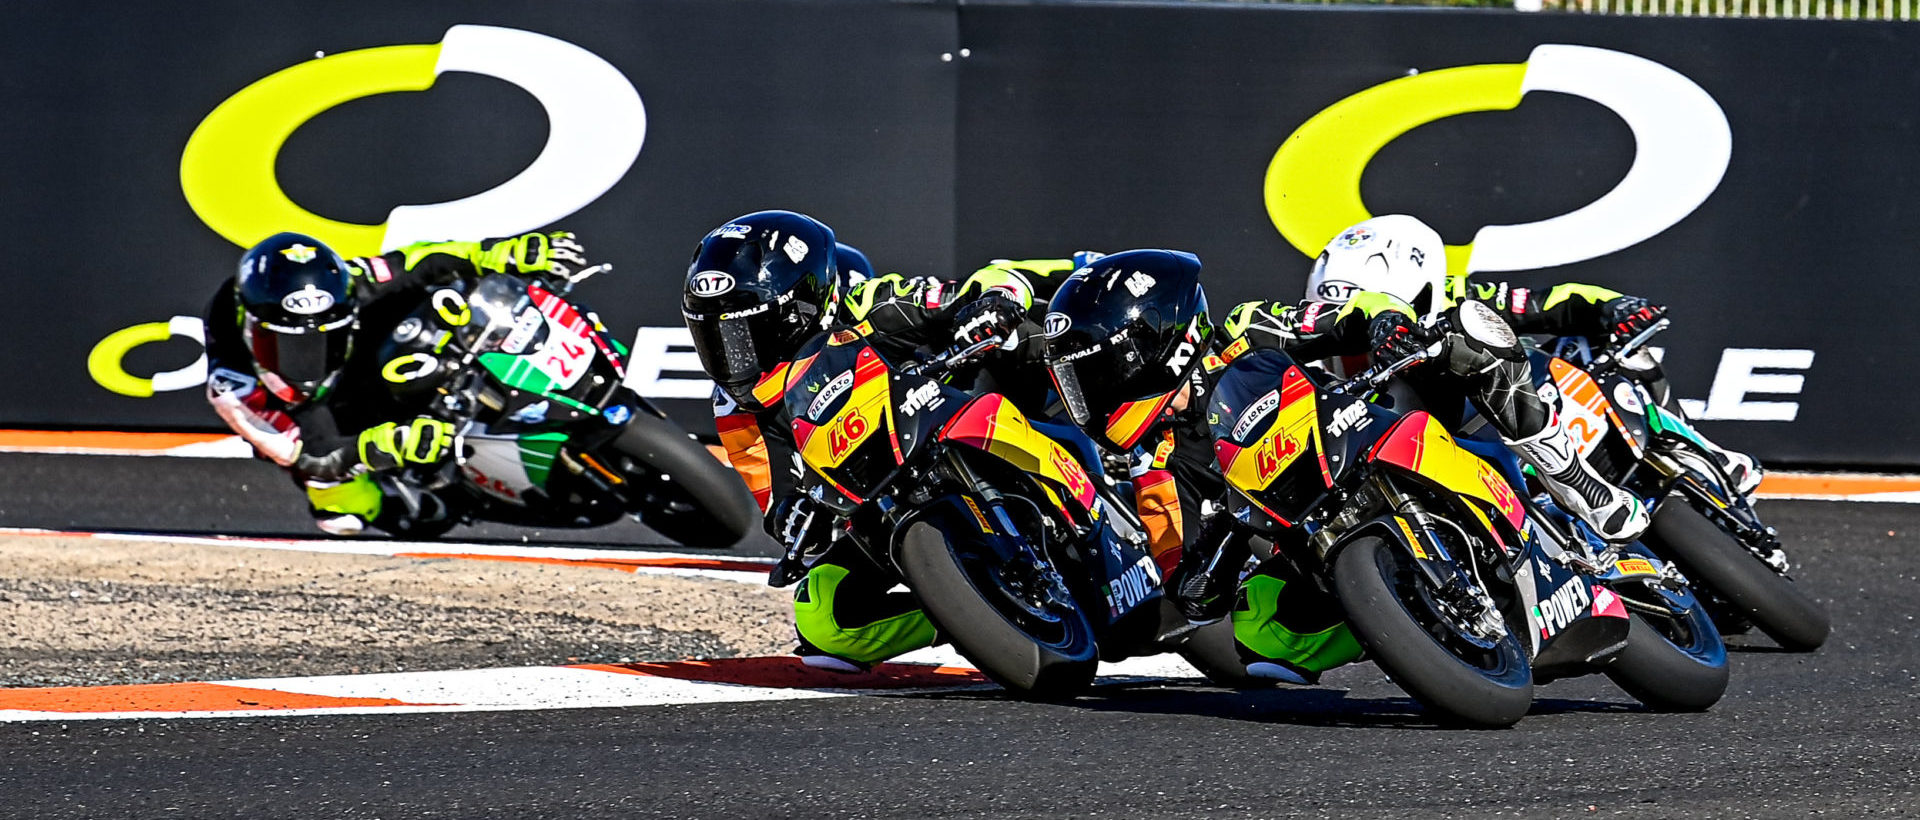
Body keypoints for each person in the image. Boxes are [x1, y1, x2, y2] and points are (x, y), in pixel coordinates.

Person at [681, 209, 1095, 672]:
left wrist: (993, 302)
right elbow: (777, 495)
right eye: (714, 334)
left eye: (746, 332)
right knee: (821, 616)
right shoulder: (735, 407)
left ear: (802, 308)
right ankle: (973, 611)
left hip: (965, 417)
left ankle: (1095, 495)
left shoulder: (868, 304)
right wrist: (796, 519)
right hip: (877, 500)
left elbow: (978, 286)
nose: (733, 353)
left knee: (1025, 335)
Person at [1253, 213, 1760, 497]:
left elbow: (1545, 304)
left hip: (1526, 412)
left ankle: (1704, 450)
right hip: (1468, 465)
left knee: (1603, 348)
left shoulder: (1456, 298)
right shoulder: (1319, 360)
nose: (1359, 353)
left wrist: (1613, 307)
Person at [204, 229, 605, 536]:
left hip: (362, 355)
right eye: (290, 344)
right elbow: (302, 454)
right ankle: (398, 496)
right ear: (249, 326)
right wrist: (382, 445)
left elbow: (418, 261)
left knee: (439, 300)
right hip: (308, 410)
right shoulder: (233, 387)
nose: (311, 354)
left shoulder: (347, 283)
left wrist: (496, 252)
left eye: (324, 335)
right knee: (339, 502)